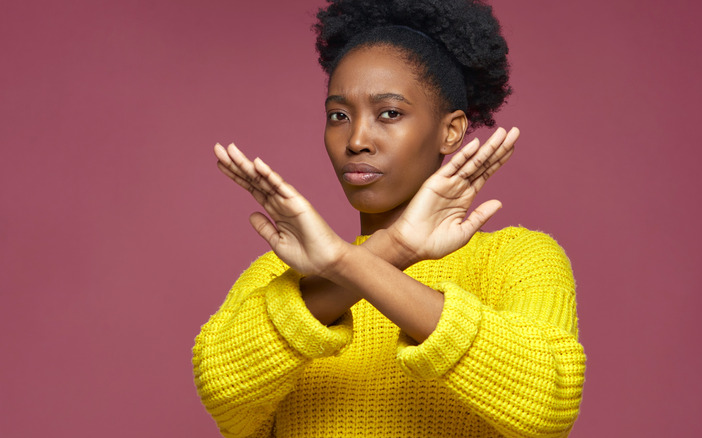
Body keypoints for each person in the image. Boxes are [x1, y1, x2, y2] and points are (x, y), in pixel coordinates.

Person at [192, 0, 586, 437]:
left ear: (450, 130)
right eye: (338, 116)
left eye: (390, 113)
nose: (356, 139)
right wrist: (391, 250)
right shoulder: (281, 275)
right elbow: (223, 395)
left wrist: (345, 264)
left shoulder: (517, 258)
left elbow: (546, 403)